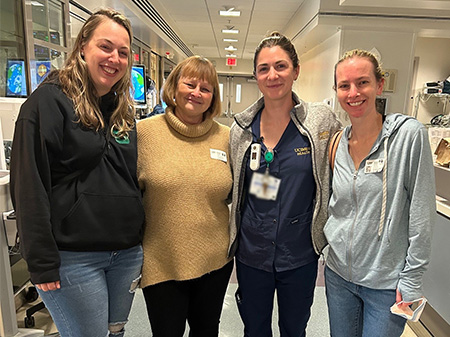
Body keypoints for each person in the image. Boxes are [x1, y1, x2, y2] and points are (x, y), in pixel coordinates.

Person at [10, 9, 144, 337]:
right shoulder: (48, 103)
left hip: (125, 253)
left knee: (116, 332)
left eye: (123, 52)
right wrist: (40, 262)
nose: (115, 58)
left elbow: (128, 178)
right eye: (106, 47)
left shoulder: (121, 110)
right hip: (74, 257)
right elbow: (29, 186)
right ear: (82, 46)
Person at [229, 31, 341, 336]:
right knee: (254, 329)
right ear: (255, 75)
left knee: (294, 329)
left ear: (296, 70)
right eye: (264, 68)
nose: (272, 75)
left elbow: (347, 161)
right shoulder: (240, 130)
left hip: (300, 253)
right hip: (252, 252)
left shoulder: (321, 122)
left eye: (280, 66)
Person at [324, 49, 435, 337]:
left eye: (363, 82)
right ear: (336, 90)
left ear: (379, 85)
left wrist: (412, 278)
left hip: (385, 284)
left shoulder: (408, 136)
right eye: (344, 85)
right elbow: (335, 206)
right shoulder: (337, 143)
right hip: (338, 278)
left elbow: (421, 213)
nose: (353, 93)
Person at [137, 55, 233, 336]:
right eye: (190, 84)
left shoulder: (227, 138)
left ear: (213, 97)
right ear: (174, 88)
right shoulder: (145, 133)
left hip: (214, 261)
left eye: (206, 88)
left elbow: (242, 193)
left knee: (206, 332)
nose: (196, 93)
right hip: (161, 260)